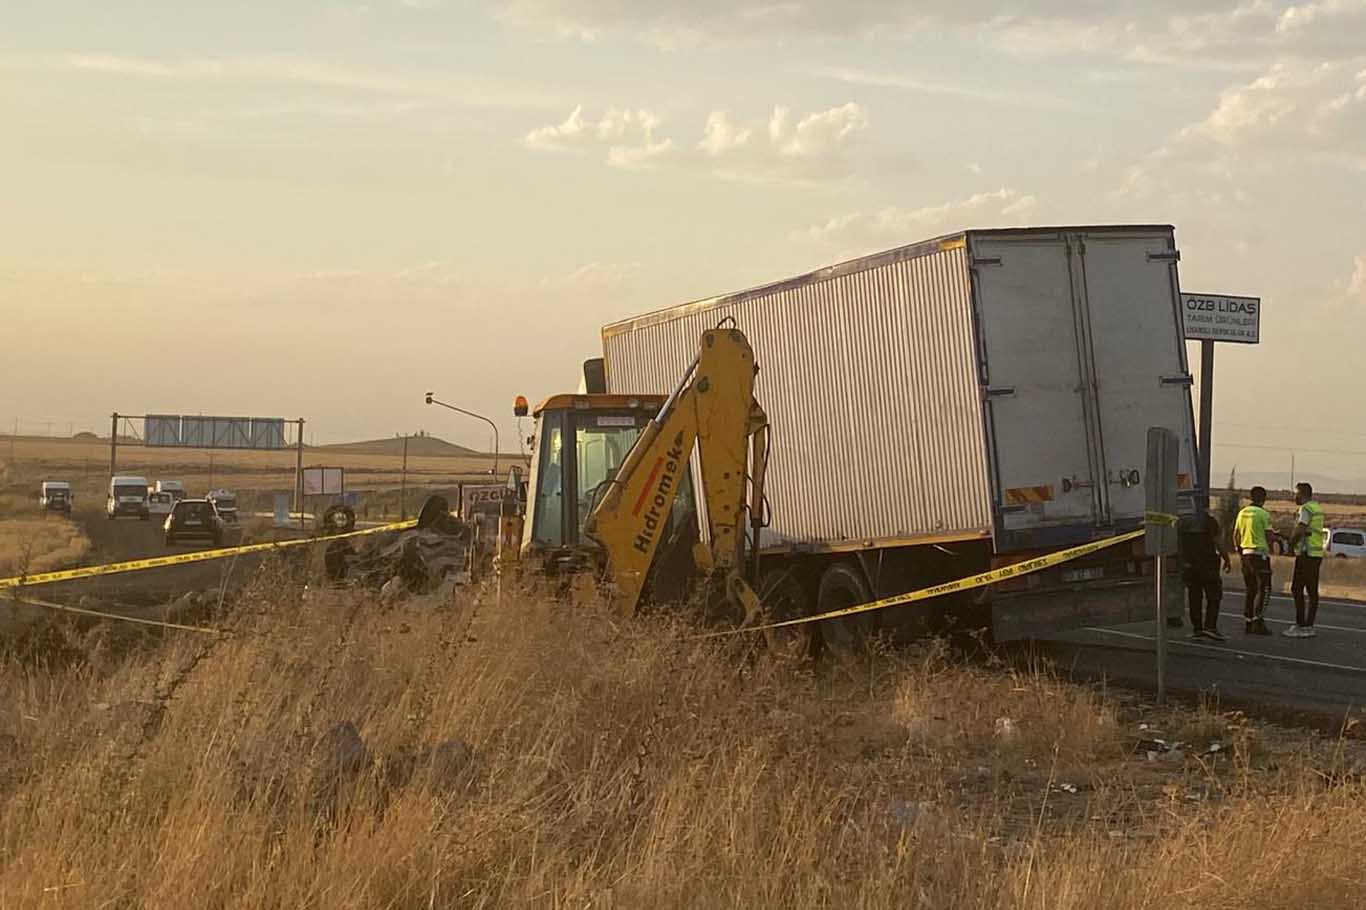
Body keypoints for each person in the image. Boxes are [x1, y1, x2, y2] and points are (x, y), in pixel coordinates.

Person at [1178, 506, 1232, 641]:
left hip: (1189, 565)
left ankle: (1197, 629)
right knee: (1214, 596)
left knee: (1194, 597)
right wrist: (1226, 558)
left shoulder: (1183, 522)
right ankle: (1210, 627)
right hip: (1207, 564)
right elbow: (1218, 542)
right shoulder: (1209, 521)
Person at [1284, 482, 1326, 638]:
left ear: (1302, 494)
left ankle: (1301, 624)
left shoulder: (1306, 509)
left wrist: (1290, 546)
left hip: (1306, 554)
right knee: (1312, 590)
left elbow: (1300, 530)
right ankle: (1308, 625)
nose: (1294, 496)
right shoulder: (1317, 508)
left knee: (1297, 588)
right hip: (1315, 555)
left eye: (1296, 493)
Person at [1233, 486, 1275, 635]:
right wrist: (1273, 547)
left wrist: (1240, 552)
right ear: (1264, 499)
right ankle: (1259, 620)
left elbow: (1236, 535)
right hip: (1260, 555)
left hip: (1246, 554)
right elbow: (1269, 535)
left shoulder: (1242, 513)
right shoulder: (1263, 514)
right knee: (1265, 588)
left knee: (1250, 589)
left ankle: (1248, 621)